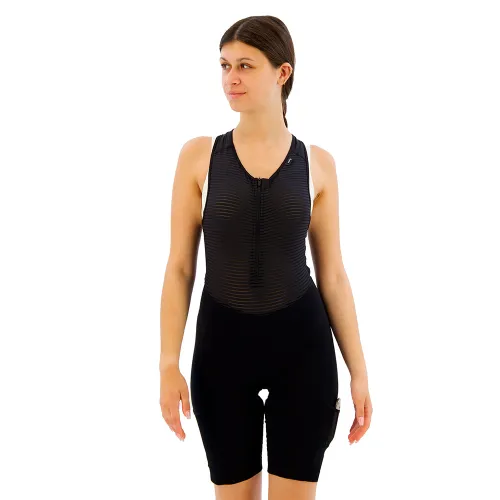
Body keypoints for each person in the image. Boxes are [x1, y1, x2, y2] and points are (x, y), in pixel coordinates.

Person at [159, 15, 372, 500]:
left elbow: (333, 275)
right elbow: (180, 268)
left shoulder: (318, 164)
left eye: (245, 66)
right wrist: (168, 362)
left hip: (303, 351)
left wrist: (358, 371)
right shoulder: (199, 157)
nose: (230, 78)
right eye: (224, 65)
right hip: (221, 352)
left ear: (282, 72)